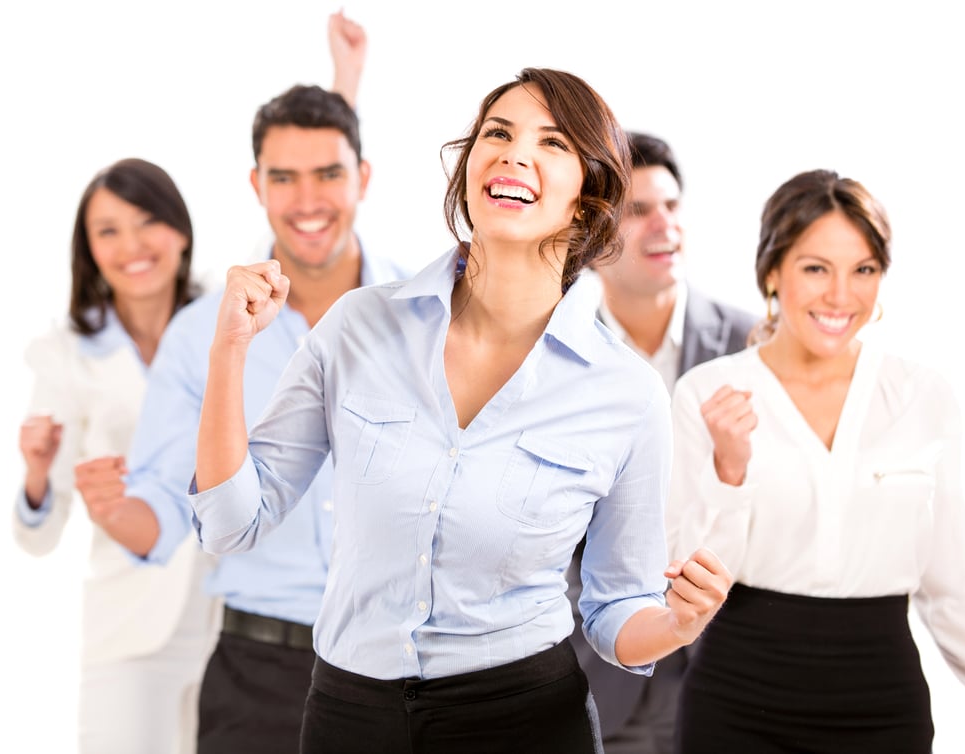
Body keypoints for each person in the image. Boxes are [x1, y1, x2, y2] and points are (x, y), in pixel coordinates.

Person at [190, 67, 732, 754]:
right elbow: (231, 522)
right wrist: (229, 350)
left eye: (553, 143)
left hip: (526, 723)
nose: (513, 153)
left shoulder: (625, 393)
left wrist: (677, 624)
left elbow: (615, 607)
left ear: (590, 196)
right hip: (350, 718)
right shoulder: (358, 327)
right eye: (497, 133)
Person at [79, 12, 412, 754]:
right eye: (283, 178)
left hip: (403, 673)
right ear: (255, 185)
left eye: (329, 174)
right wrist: (111, 509)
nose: (307, 200)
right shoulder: (201, 333)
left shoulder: (422, 314)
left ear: (363, 178)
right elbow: (166, 512)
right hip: (258, 676)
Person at [666, 168, 965, 752]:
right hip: (739, 697)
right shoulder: (708, 394)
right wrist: (729, 472)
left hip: (882, 700)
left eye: (864, 270)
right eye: (816, 268)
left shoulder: (922, 395)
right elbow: (682, 586)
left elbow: (953, 585)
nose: (841, 296)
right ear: (772, 272)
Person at [12, 157, 219, 754]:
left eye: (147, 220)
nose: (131, 245)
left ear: (180, 230)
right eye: (107, 230)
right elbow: (38, 536)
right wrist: (35, 474)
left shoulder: (229, 325)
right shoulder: (67, 356)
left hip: (235, 624)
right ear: (89, 250)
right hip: (130, 629)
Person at [565, 132, 757, 754]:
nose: (663, 225)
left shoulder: (749, 346)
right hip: (601, 669)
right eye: (639, 211)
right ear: (594, 241)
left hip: (728, 664)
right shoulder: (558, 357)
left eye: (671, 206)